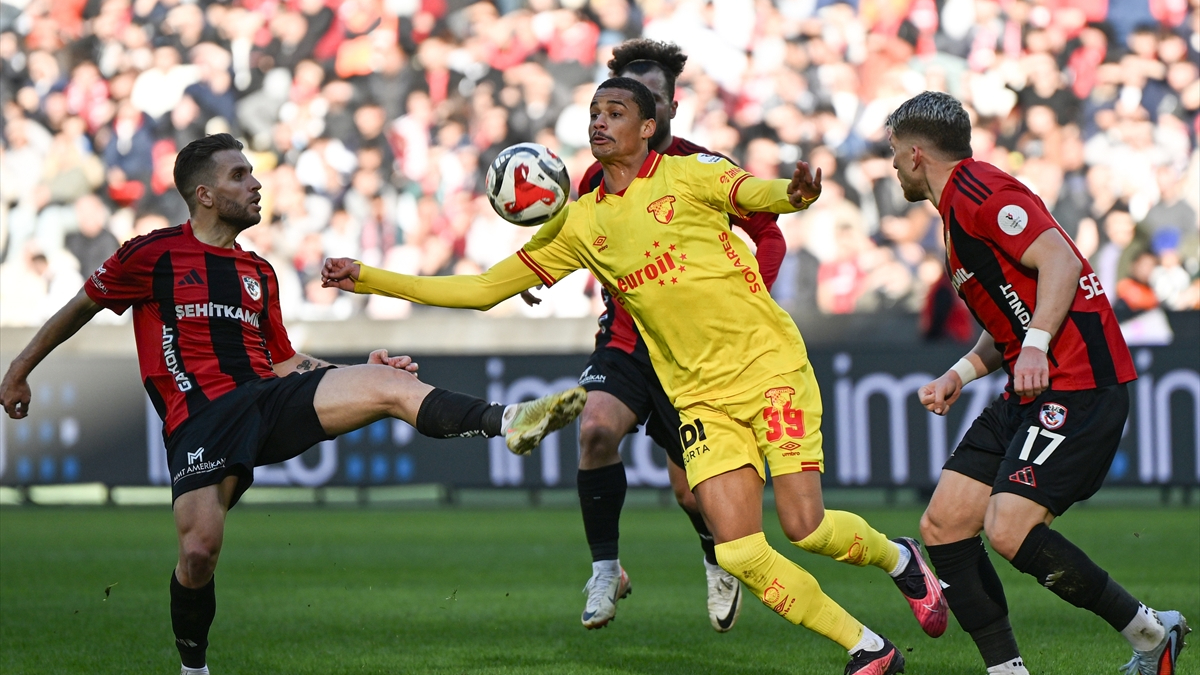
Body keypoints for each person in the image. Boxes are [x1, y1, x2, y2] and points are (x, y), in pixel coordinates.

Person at [324, 78, 948, 674]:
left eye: (615, 112)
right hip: (698, 397)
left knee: (804, 528)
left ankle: (900, 560)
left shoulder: (690, 174)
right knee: (737, 550)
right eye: (595, 111)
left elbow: (760, 195)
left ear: (649, 128)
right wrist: (370, 278)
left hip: (768, 368)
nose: (600, 120)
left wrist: (795, 193)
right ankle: (868, 648)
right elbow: (483, 288)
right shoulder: (580, 223)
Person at [0, 133, 587, 675]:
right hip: (201, 417)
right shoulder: (150, 255)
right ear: (203, 195)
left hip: (268, 397)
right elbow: (80, 306)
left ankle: (509, 420)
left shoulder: (260, 272)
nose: (255, 185)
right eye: (239, 176)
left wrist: (357, 372)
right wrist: (19, 370)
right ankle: (193, 668)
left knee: (388, 387)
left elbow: (284, 362)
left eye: (252, 173)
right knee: (199, 552)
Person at [887, 91, 1190, 675]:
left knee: (1008, 526)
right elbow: (1011, 317)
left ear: (917, 153)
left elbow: (1060, 261)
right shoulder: (955, 211)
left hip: (1080, 382)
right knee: (944, 525)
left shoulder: (981, 194)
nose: (892, 164)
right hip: (1033, 384)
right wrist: (961, 372)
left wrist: (1036, 345)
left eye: (895, 152)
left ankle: (1152, 636)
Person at [523, 38, 786, 632]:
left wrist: (755, 291)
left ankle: (716, 555)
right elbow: (566, 229)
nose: (649, 107)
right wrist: (532, 268)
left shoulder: (701, 168)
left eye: (658, 98)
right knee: (595, 429)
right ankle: (604, 569)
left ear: (668, 106)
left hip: (694, 351)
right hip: (624, 339)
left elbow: (769, 233)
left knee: (692, 493)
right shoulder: (597, 173)